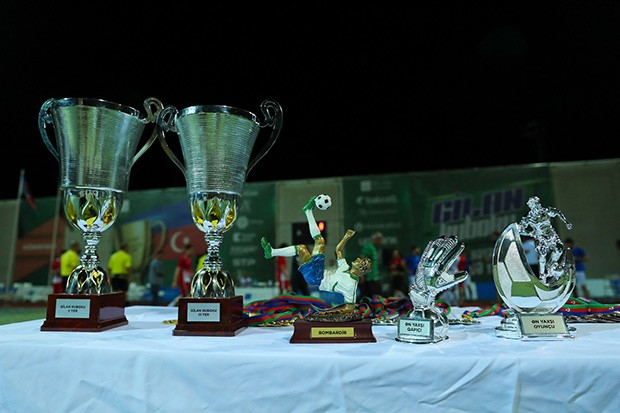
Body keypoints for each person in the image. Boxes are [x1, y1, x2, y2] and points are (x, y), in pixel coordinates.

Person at [261, 195, 372, 315]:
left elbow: (349, 308)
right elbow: (338, 250)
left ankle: (308, 211)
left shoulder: (352, 286)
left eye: (361, 261)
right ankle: (272, 252)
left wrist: (329, 313)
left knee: (314, 243)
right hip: (317, 274)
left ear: (361, 269)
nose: (358, 259)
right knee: (304, 247)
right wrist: (346, 237)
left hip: (317, 278)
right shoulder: (346, 268)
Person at [518, 196, 573, 283]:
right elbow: (520, 230)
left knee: (559, 250)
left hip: (551, 235)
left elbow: (558, 212)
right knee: (542, 254)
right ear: (531, 206)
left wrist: (566, 222)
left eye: (537, 203)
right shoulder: (529, 218)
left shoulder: (545, 211)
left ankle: (551, 265)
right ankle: (542, 275)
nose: (537, 205)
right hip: (541, 238)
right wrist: (531, 233)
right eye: (534, 204)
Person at [359, 231, 384, 300]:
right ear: (376, 239)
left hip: (375, 276)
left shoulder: (373, 248)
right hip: (369, 277)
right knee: (373, 297)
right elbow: (362, 260)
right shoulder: (368, 247)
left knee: (377, 296)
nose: (381, 242)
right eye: (380, 240)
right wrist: (362, 275)